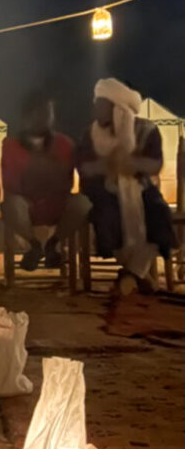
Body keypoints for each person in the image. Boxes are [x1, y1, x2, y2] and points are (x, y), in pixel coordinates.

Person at [77, 78, 175, 294]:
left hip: (139, 186)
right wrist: (107, 166)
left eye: (100, 104)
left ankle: (131, 274)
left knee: (158, 212)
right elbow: (83, 166)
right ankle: (138, 274)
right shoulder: (89, 134)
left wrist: (130, 164)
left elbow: (155, 164)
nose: (96, 108)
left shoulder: (146, 129)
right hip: (102, 189)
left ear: (116, 107)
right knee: (108, 214)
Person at [1, 94, 91, 269]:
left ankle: (54, 244)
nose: (46, 117)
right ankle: (34, 245)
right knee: (11, 204)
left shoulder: (65, 144)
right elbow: (11, 184)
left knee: (83, 203)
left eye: (49, 113)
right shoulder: (11, 145)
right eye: (41, 112)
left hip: (57, 204)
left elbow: (70, 180)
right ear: (27, 116)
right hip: (27, 205)